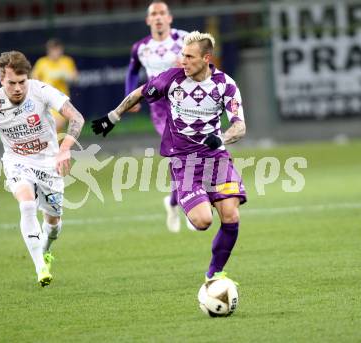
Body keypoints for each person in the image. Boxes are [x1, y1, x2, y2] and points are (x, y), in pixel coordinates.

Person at [93, 31, 247, 283]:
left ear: (206, 58)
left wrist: (220, 139)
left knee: (231, 215)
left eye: (188, 56)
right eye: (182, 55)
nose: (182, 61)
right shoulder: (172, 79)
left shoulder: (225, 85)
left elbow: (239, 126)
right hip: (184, 160)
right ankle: (195, 197)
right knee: (202, 221)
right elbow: (141, 92)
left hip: (216, 158)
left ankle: (214, 274)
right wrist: (113, 116)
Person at [0, 51, 84, 287]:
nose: (18, 88)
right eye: (11, 83)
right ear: (1, 80)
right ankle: (40, 267)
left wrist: (65, 147)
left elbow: (76, 117)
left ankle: (45, 248)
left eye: (22, 82)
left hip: (49, 162)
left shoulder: (41, 90)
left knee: (54, 224)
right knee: (26, 204)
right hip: (17, 161)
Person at [125, 0, 187, 233]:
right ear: (148, 20)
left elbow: (207, 61)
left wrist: (189, 64)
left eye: (162, 13)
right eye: (154, 14)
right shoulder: (141, 48)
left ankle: (174, 202)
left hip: (188, 102)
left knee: (191, 156)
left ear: (170, 18)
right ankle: (188, 204)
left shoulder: (186, 40)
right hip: (160, 106)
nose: (159, 17)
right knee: (178, 152)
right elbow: (131, 72)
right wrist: (129, 98)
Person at [32, 39, 78, 133]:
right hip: (45, 100)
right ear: (48, 50)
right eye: (53, 49)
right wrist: (45, 83)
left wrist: (66, 75)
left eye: (57, 49)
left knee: (57, 125)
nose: (55, 52)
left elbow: (75, 78)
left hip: (61, 100)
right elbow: (33, 79)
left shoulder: (66, 61)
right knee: (53, 131)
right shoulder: (42, 62)